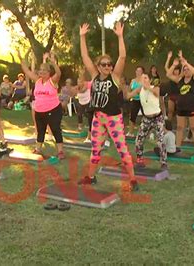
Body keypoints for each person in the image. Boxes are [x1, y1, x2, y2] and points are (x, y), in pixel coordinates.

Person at [78, 22, 139, 191]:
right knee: (95, 150)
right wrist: (82, 36)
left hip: (113, 119)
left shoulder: (115, 76)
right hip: (99, 118)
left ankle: (133, 180)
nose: (107, 66)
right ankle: (90, 177)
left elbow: (123, 57)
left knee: (122, 149)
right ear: (98, 66)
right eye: (103, 64)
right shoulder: (95, 75)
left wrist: (120, 36)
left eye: (109, 64)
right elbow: (85, 57)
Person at [18, 51, 65, 159]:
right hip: (39, 111)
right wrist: (21, 59)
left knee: (55, 129)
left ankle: (60, 151)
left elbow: (59, 73)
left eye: (44, 70)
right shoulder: (37, 81)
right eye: (40, 70)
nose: (42, 72)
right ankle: (38, 149)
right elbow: (26, 71)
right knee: (40, 130)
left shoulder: (52, 81)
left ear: (49, 72)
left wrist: (53, 63)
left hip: (53, 110)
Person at [166, 50, 194, 156]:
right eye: (184, 69)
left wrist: (186, 63)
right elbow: (168, 74)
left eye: (187, 69)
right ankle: (177, 147)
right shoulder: (180, 80)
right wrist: (174, 65)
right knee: (180, 127)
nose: (186, 71)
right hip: (181, 108)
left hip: (192, 108)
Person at [127, 73, 167, 170]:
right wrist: (127, 86)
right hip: (146, 119)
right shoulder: (139, 89)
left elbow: (156, 94)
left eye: (145, 78)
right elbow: (128, 96)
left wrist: (147, 86)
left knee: (161, 141)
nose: (143, 80)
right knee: (138, 141)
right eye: (142, 78)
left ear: (149, 79)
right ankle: (140, 161)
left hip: (158, 117)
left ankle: (164, 163)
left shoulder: (155, 87)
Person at [127, 66, 144, 137]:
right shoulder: (133, 81)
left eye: (140, 71)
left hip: (143, 100)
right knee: (132, 116)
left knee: (147, 116)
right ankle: (130, 132)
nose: (138, 72)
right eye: (137, 71)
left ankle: (149, 133)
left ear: (142, 72)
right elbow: (129, 90)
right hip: (134, 100)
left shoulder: (144, 80)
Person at [163, 51, 180, 121]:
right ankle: (169, 126)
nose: (176, 71)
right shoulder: (171, 76)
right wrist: (168, 58)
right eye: (175, 70)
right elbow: (166, 67)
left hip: (180, 96)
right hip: (172, 95)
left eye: (177, 70)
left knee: (180, 112)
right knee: (170, 111)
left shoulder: (181, 77)